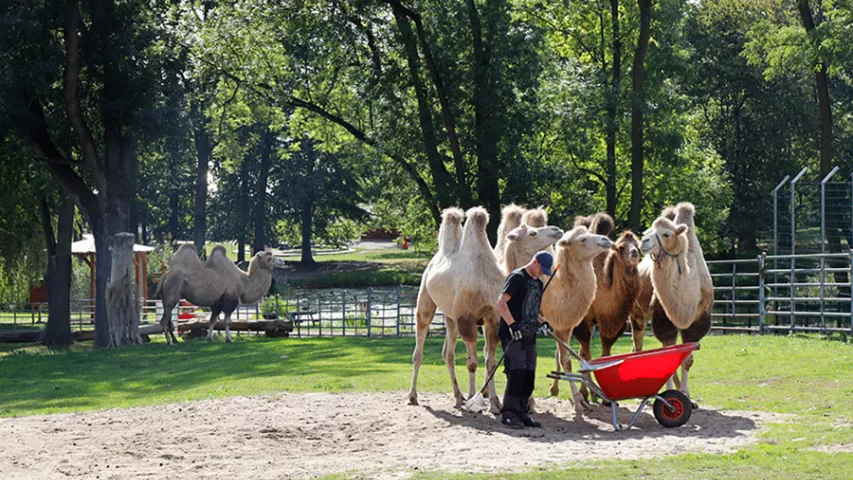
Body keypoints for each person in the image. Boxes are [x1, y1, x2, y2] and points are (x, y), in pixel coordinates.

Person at [496, 250, 553, 429]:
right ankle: (508, 413)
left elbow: (531, 309)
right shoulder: (517, 277)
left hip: (529, 334)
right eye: (541, 269)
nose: (542, 273)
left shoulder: (538, 283)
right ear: (534, 262)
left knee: (529, 373)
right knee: (517, 371)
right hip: (513, 334)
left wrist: (542, 323)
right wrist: (512, 326)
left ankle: (522, 412)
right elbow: (501, 303)